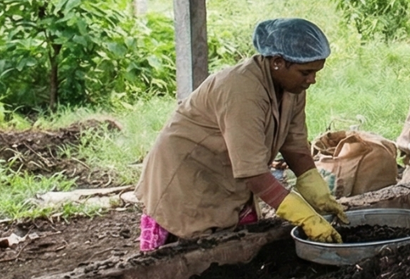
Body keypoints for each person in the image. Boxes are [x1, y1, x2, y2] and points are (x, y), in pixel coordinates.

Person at [136, 18, 346, 251]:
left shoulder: (292, 87)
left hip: (226, 175)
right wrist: (304, 216)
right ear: (277, 62)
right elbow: (253, 171)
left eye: (316, 72)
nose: (312, 80)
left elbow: (294, 142)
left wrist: (313, 186)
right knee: (189, 256)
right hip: (187, 176)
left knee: (231, 246)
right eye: (306, 72)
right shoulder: (241, 90)